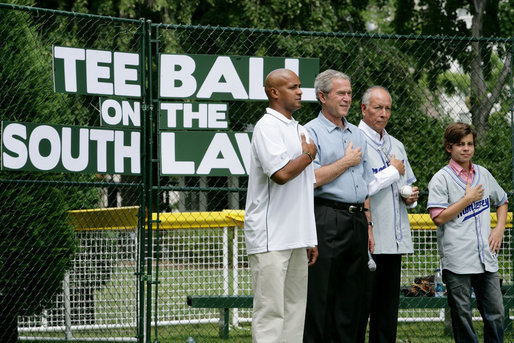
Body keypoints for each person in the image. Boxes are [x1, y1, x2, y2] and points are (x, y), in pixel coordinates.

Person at [243, 68, 319, 343]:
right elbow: (282, 175)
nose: (300, 91)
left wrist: (309, 237)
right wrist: (309, 154)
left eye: (300, 86)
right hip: (270, 237)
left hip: (297, 237)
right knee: (270, 314)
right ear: (274, 92)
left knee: (295, 313)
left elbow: (304, 189)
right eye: (293, 87)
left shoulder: (300, 129)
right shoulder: (267, 126)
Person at [303, 69, 374, 343]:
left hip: (357, 220)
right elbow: (310, 179)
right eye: (340, 93)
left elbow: (365, 183)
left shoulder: (358, 133)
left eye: (349, 93)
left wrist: (368, 225)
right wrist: (345, 162)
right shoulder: (310, 132)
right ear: (322, 96)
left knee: (352, 298)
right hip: (326, 216)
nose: (347, 99)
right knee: (322, 295)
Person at [427, 122, 508, 343]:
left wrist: (499, 228)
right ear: (448, 148)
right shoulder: (441, 178)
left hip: (485, 256)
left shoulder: (483, 173)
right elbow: (438, 217)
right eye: (460, 144)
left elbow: (502, 201)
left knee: (496, 313)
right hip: (458, 259)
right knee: (462, 316)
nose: (466, 148)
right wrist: (467, 199)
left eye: (470, 144)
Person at [357, 86, 419, 343]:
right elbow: (359, 188)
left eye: (388, 108)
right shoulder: (354, 139)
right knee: (359, 311)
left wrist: (411, 198)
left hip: (393, 242)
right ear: (363, 109)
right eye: (377, 107)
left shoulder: (397, 145)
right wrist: (393, 171)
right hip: (367, 239)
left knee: (386, 315)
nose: (384, 114)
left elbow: (407, 185)